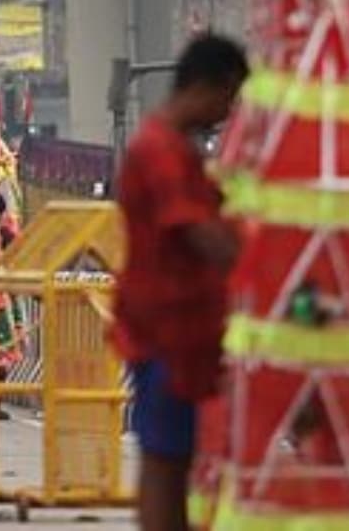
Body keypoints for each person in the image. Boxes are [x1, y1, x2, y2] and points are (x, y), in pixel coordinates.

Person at [112, 34, 248, 531]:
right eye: (227, 99)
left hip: (182, 333)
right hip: (165, 331)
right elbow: (198, 232)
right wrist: (260, 270)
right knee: (165, 462)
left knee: (177, 459)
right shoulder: (159, 152)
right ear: (208, 86)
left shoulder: (172, 150)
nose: (224, 114)